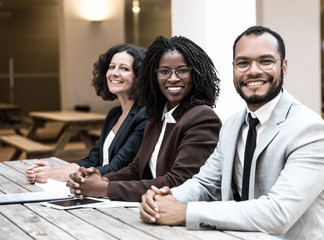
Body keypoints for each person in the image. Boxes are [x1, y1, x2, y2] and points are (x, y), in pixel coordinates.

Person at [140, 26, 324, 239]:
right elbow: (205, 183)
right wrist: (164, 198)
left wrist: (184, 212)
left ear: (283, 67)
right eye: (243, 63)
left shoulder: (310, 130)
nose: (253, 71)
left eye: (265, 61)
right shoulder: (232, 125)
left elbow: (278, 213)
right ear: (233, 69)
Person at [66, 35, 222, 202]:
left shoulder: (202, 118)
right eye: (164, 71)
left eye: (182, 70)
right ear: (153, 77)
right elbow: (136, 168)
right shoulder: (157, 116)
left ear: (196, 74)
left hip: (182, 216)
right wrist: (103, 179)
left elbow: (178, 181)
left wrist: (106, 188)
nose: (173, 78)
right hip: (152, 210)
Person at [25, 44, 147, 183]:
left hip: (122, 192)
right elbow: (94, 158)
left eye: (124, 68)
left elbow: (118, 167)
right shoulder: (115, 114)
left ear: (139, 77)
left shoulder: (144, 115)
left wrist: (60, 175)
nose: (114, 73)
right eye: (112, 67)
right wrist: (55, 170)